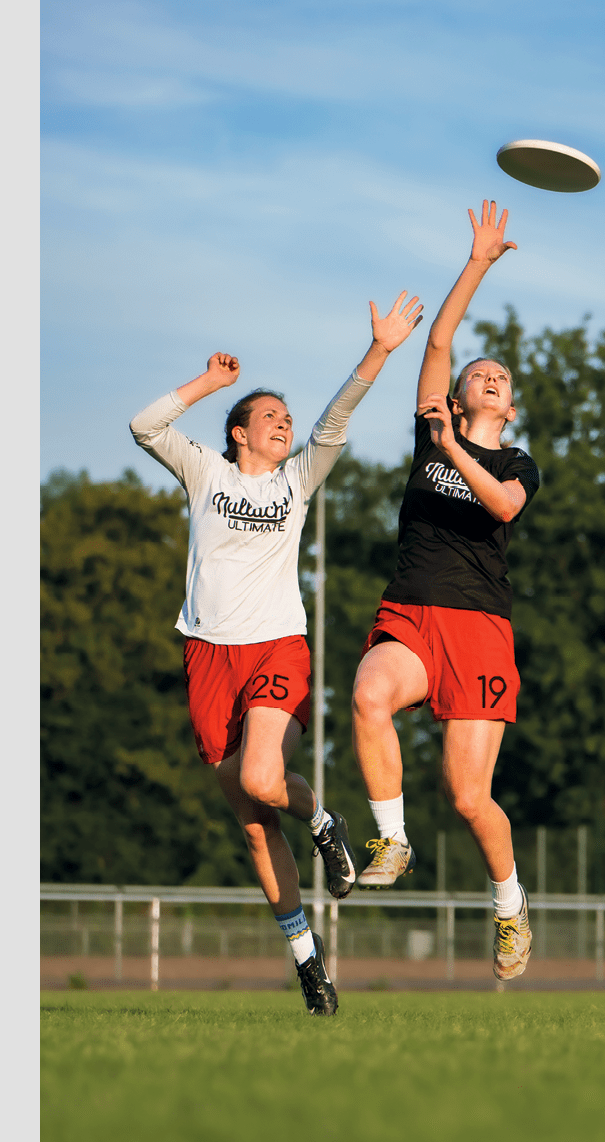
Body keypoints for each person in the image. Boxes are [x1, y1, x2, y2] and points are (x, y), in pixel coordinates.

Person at [130, 291, 423, 1013]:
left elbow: (335, 419)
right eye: (267, 416)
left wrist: (381, 349)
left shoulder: (296, 479)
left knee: (265, 777)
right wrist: (208, 384)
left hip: (276, 648)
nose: (281, 423)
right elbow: (144, 426)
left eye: (282, 419)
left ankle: (326, 823)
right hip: (206, 654)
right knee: (257, 826)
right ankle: (308, 964)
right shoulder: (206, 472)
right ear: (237, 433)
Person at [351, 202, 539, 982]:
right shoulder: (434, 419)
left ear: (508, 406)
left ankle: (509, 903)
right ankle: (391, 837)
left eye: (501, 377)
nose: (490, 375)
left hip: (479, 629)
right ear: (457, 396)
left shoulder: (516, 462)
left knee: (469, 797)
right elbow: (437, 339)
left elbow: (500, 507)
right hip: (413, 613)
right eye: (478, 375)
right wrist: (479, 262)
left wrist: (454, 449)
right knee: (367, 693)